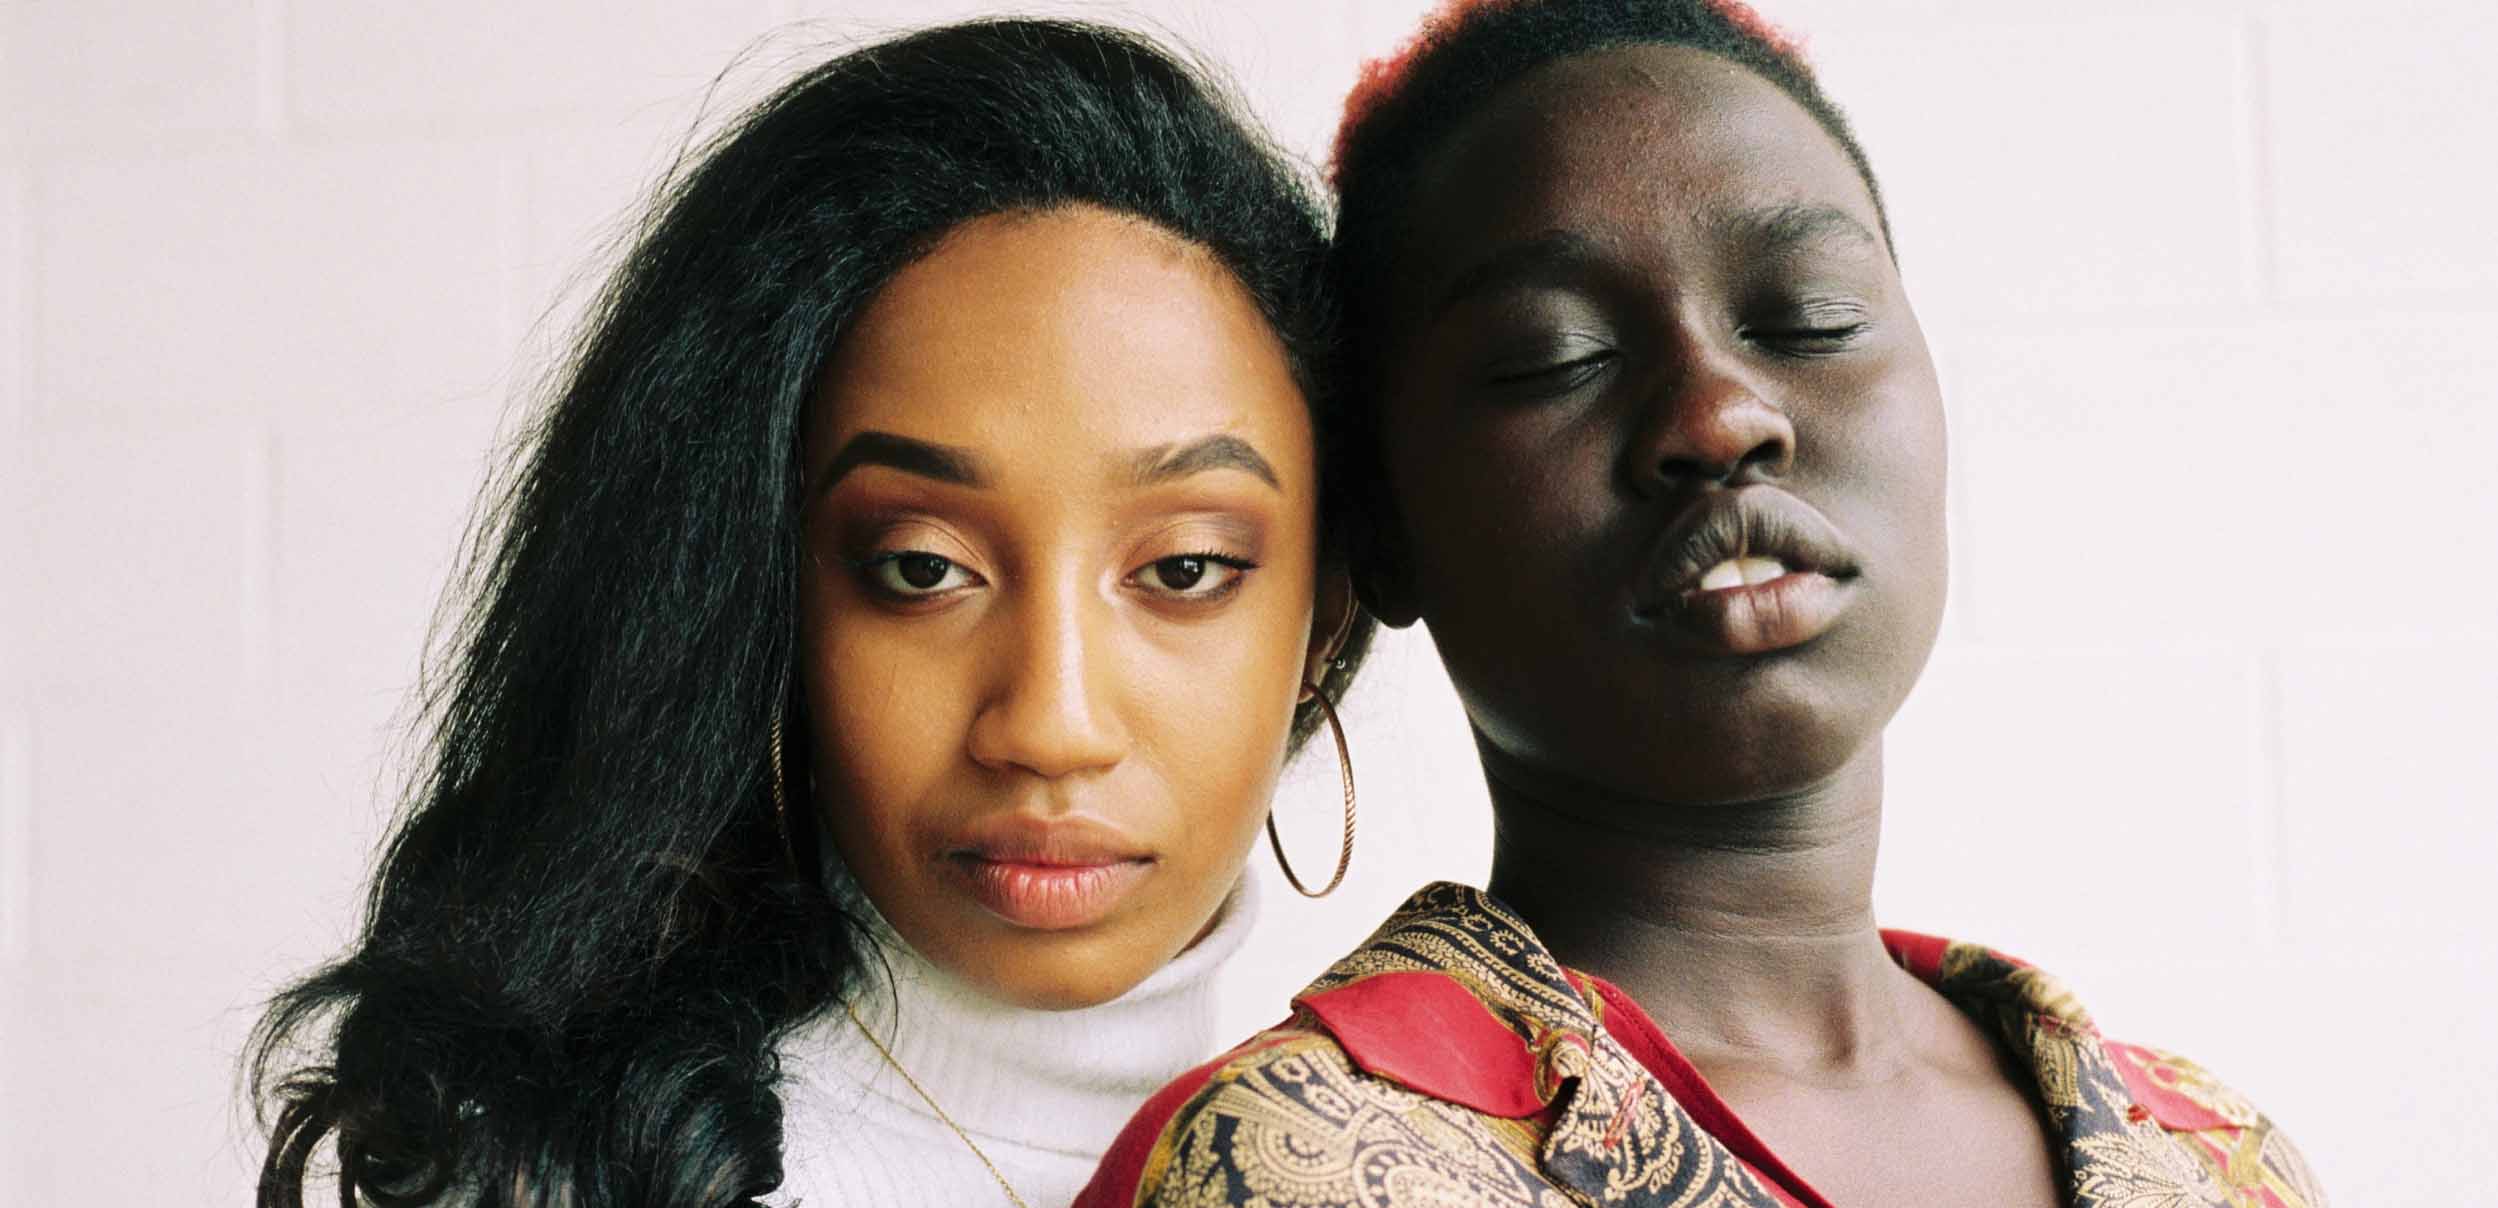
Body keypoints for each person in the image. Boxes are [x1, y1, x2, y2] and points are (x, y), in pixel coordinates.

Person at [1078, 2, 2324, 1205]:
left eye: (1810, 318)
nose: (1720, 416)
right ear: (1384, 527)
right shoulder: (1289, 1161)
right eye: (1556, 356)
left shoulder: (2213, 1155)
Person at [246, 19, 1371, 1208]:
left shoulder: (1392, 1158)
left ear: (1326, 614)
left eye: (1184, 568)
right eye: (921, 568)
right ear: (763, 592)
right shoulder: (595, 1180)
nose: (1050, 725)